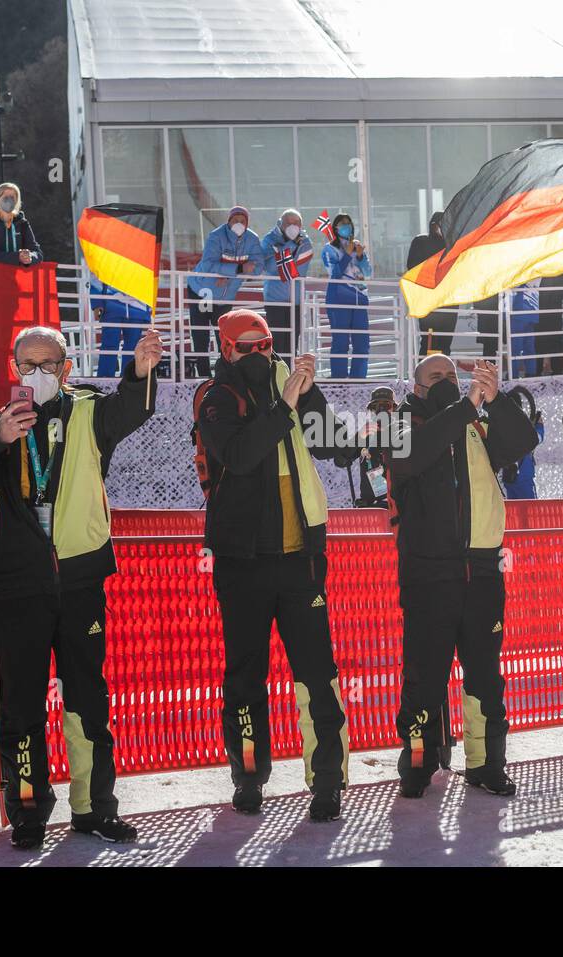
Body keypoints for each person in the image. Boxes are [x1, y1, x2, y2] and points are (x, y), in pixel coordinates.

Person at [0, 324, 163, 850]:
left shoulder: (88, 412)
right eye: (28, 365)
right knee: (22, 705)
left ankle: (95, 808)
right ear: (14, 370)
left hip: (79, 580)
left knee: (88, 700)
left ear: (67, 368)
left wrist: (142, 370)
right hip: (16, 586)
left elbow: (132, 407)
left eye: (49, 364)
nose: (38, 375)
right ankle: (29, 811)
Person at [196, 308, 350, 822]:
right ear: (225, 350)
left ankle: (327, 778)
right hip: (243, 561)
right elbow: (240, 455)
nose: (259, 357)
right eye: (246, 349)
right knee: (245, 676)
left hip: (301, 556)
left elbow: (333, 446)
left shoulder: (291, 380)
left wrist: (310, 392)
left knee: (316, 672)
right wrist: (284, 405)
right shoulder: (215, 396)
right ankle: (248, 776)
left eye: (265, 347)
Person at [383, 355, 538, 799]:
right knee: (424, 675)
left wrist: (496, 398)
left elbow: (523, 440)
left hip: (484, 568)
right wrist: (464, 406)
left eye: (453, 375)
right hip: (429, 572)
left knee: (486, 676)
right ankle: (417, 761)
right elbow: (411, 456)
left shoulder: (476, 422)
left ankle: (486, 763)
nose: (448, 382)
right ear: (417, 387)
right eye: (437, 377)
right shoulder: (401, 421)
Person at [186, 206, 262, 378]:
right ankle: (204, 375)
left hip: (225, 296)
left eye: (243, 221)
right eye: (235, 220)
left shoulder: (252, 240)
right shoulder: (216, 236)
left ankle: (225, 374)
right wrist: (240, 268)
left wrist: (228, 274)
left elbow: (258, 268)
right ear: (229, 221)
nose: (239, 224)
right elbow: (208, 265)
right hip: (203, 290)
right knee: (200, 335)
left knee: (224, 336)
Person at [321, 213, 372, 378]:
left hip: (359, 299)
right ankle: (340, 380)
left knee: (362, 344)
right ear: (335, 228)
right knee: (341, 342)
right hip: (339, 300)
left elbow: (369, 273)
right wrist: (348, 254)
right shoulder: (329, 249)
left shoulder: (356, 246)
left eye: (349, 223)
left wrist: (360, 256)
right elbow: (334, 273)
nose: (346, 226)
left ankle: (358, 380)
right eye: (342, 223)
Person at [260, 208, 313, 358]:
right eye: (289, 223)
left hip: (295, 301)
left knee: (292, 343)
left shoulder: (306, 242)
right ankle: (276, 376)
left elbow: (297, 273)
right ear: (281, 224)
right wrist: (291, 245)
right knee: (277, 341)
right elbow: (269, 267)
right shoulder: (269, 239)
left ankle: (289, 377)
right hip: (275, 300)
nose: (293, 226)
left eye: (296, 223)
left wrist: (282, 255)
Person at [407, 211, 456, 356]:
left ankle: (444, 372)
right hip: (428, 299)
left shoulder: (452, 244)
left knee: (445, 340)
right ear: (433, 225)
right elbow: (412, 265)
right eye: (440, 224)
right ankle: (425, 374)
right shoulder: (420, 241)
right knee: (428, 340)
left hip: (448, 300)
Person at [89, 279, 153, 378]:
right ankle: (105, 377)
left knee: (133, 347)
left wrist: (148, 309)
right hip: (111, 306)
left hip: (137, 308)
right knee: (109, 344)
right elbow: (96, 276)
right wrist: (97, 304)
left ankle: (130, 376)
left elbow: (148, 280)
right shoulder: (108, 262)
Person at [0, 182, 43, 267]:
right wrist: (16, 257)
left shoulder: (22, 223)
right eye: (5, 197)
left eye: (13, 197)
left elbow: (37, 253)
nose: (9, 200)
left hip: (14, 277)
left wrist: (29, 257)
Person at [502, 386, 543, 499]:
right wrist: (539, 426)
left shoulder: (500, 426)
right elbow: (537, 438)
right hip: (524, 479)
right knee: (531, 514)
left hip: (508, 479)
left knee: (511, 513)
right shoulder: (523, 426)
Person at [508, 281, 541, 378]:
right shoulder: (537, 270)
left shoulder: (524, 270)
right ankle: (531, 373)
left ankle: (513, 374)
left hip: (520, 309)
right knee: (529, 346)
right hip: (532, 309)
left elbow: (513, 283)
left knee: (515, 347)